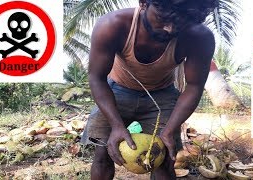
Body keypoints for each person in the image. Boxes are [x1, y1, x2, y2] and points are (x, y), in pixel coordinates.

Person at [81, 0, 218, 179]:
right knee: (103, 153)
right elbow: (96, 77)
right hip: (116, 91)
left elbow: (194, 87)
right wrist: (116, 125)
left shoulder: (199, 37)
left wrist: (169, 130)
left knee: (164, 158)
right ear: (144, 3)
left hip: (163, 94)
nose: (170, 28)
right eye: (162, 18)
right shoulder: (112, 25)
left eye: (181, 22)